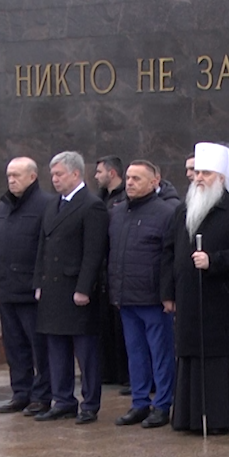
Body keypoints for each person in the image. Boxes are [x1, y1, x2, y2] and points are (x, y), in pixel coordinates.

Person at [164, 144, 229, 434]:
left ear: (221, 178)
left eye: (206, 173)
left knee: (216, 358)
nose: (199, 177)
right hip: (188, 295)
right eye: (197, 172)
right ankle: (188, 417)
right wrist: (168, 292)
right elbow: (169, 252)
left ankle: (218, 417)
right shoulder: (183, 209)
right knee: (189, 354)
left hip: (219, 296)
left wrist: (213, 260)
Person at [34, 151, 108, 424]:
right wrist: (38, 282)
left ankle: (89, 404)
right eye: (52, 174)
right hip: (53, 290)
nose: (54, 179)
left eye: (59, 174)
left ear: (76, 174)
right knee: (56, 348)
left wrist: (84, 288)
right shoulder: (53, 205)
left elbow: (94, 252)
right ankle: (63, 400)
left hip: (76, 289)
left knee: (85, 352)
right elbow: (43, 247)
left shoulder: (91, 205)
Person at [108, 160, 178, 429]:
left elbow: (170, 258)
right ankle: (139, 403)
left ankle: (162, 404)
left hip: (153, 298)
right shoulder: (117, 213)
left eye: (137, 178)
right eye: (128, 178)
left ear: (154, 181)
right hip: (126, 297)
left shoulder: (166, 213)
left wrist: (168, 294)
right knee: (135, 353)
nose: (130, 183)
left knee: (160, 353)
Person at [0, 157, 53, 416]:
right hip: (6, 287)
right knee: (14, 347)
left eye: (16, 175)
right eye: (9, 175)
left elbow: (47, 248)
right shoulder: (4, 205)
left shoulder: (46, 204)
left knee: (39, 348)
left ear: (32, 176)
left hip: (31, 290)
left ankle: (42, 395)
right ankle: (20, 392)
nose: (11, 180)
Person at [94, 154, 130, 392]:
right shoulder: (100, 199)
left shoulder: (124, 199)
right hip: (103, 272)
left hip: (119, 269)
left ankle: (124, 373)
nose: (96, 176)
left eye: (99, 171)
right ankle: (107, 370)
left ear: (112, 172)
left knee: (121, 328)